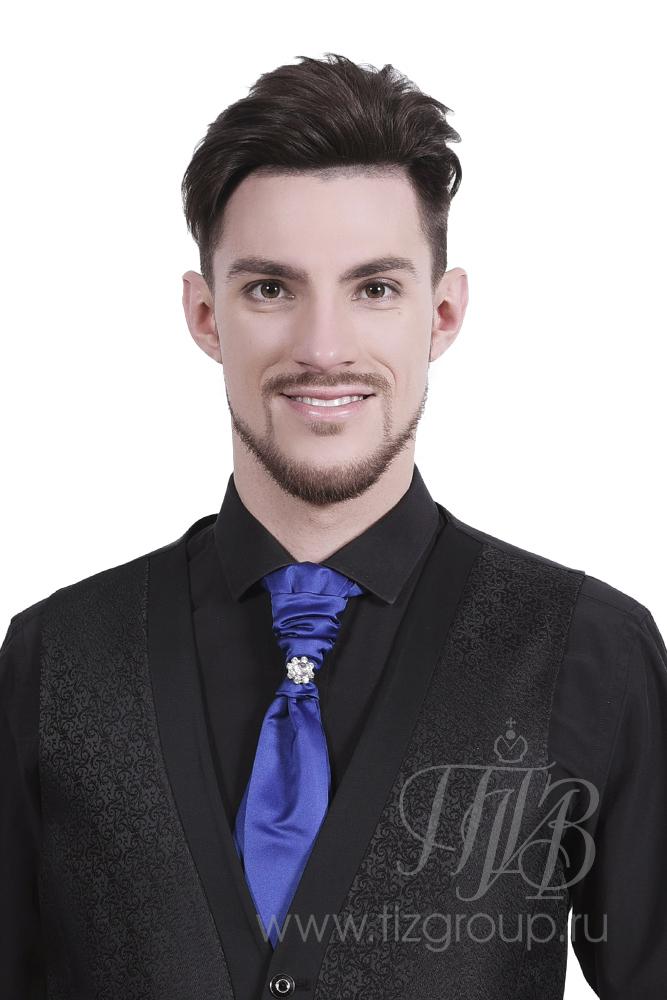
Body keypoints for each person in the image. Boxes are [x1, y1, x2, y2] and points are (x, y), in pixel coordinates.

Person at [1, 51, 665, 1000]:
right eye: (271, 289)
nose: (322, 348)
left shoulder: (588, 653)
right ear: (205, 315)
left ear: (442, 313)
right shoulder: (54, 657)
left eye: (374, 288)